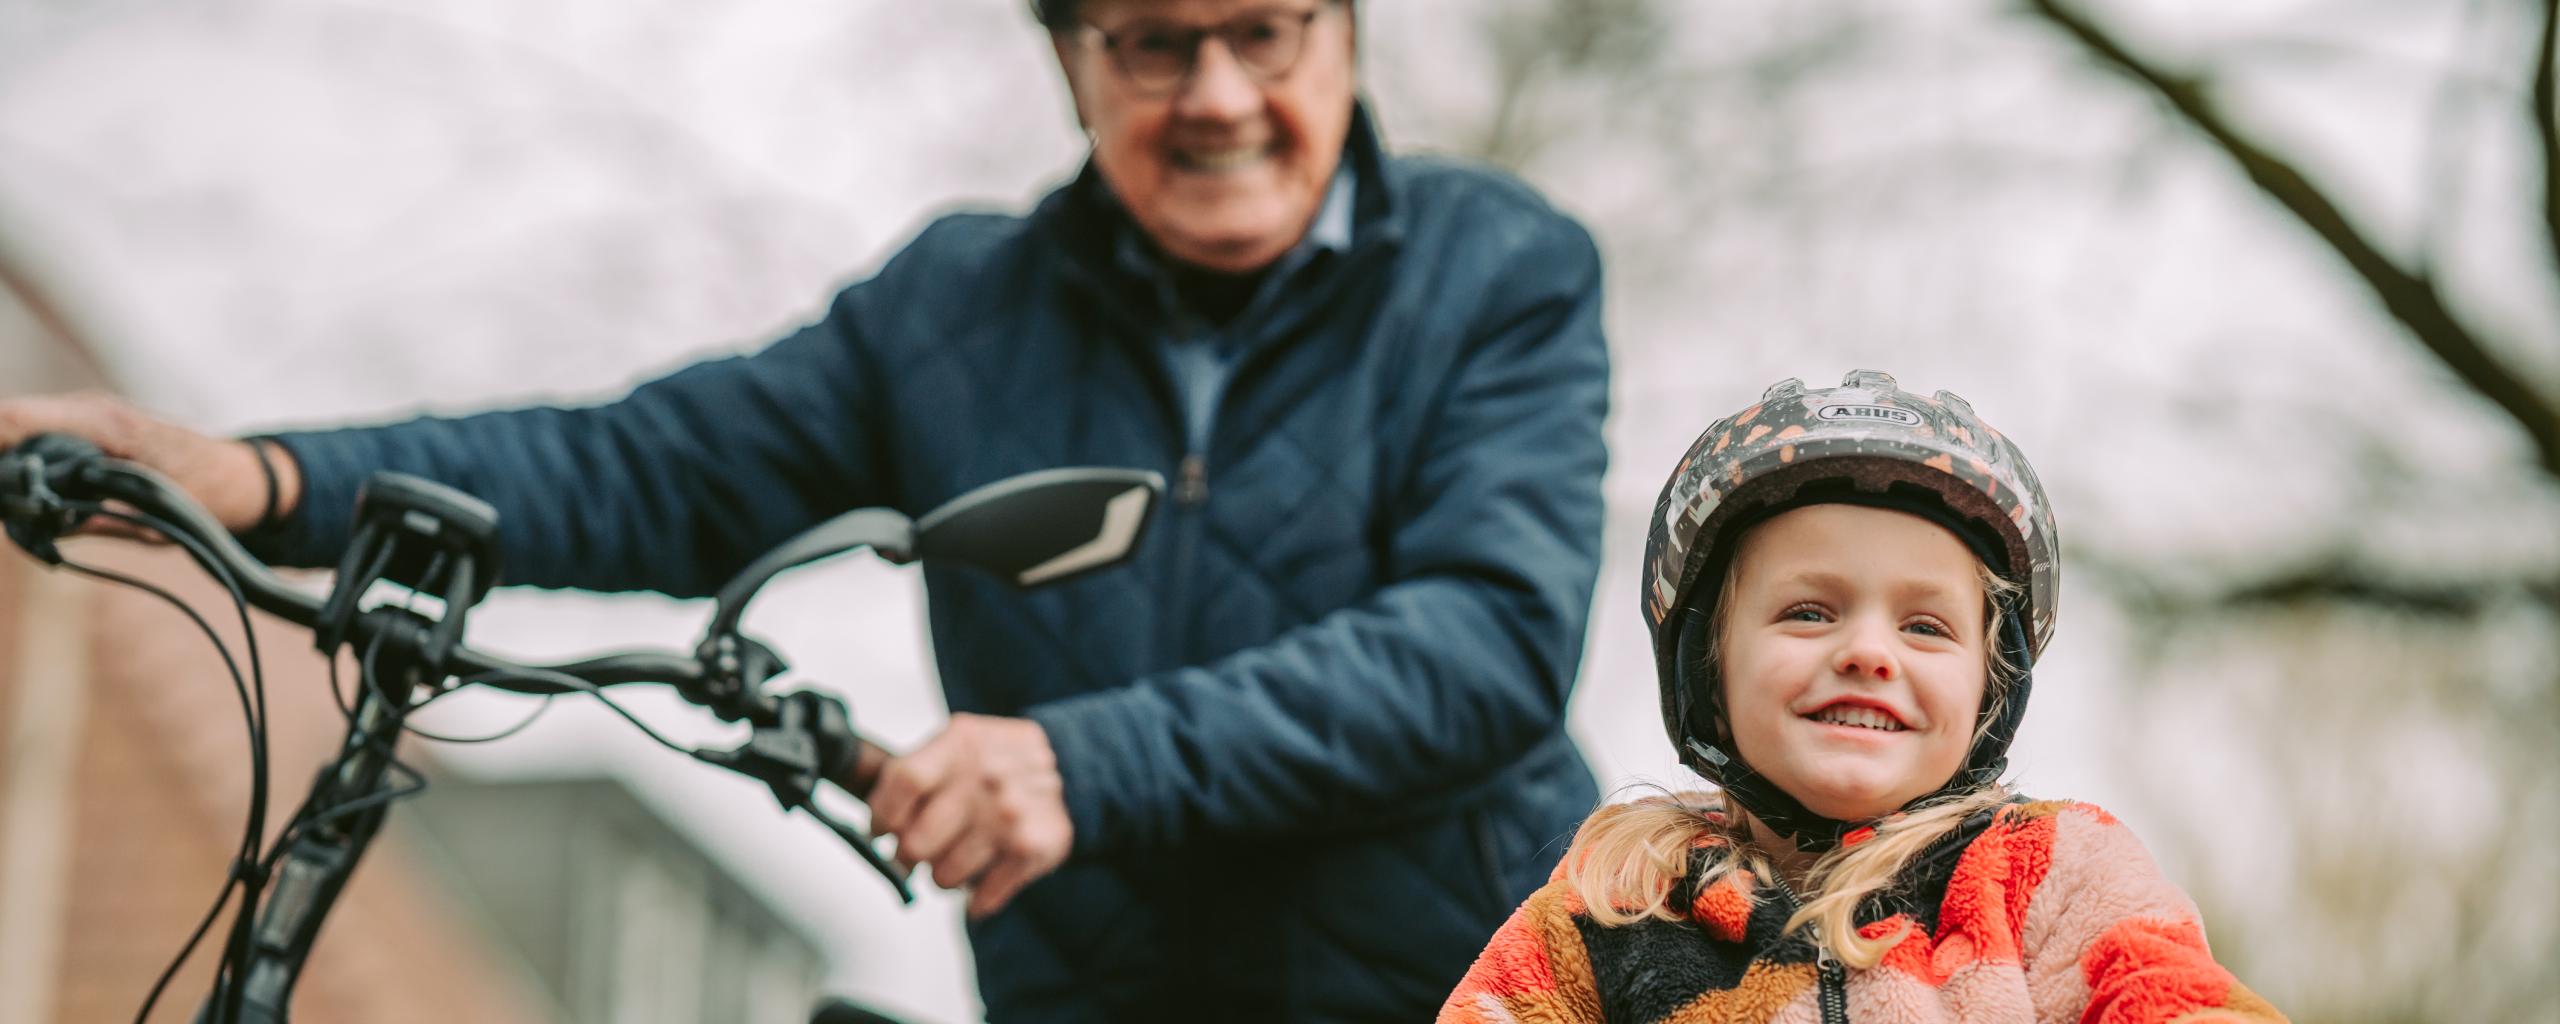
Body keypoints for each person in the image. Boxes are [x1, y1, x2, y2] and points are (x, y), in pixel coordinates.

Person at [0, 0, 1610, 1019]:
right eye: (1150, 41)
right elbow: (645, 467)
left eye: (1263, 33)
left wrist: (1082, 760)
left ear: (1344, 39)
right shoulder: (952, 313)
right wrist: (263, 482)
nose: (1215, 94)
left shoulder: (1498, 272)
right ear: (1066, 57)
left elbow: (1484, 643)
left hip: (1462, 991)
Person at [1439, 371, 2282, 1023]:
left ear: (1991, 686)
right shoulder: (1617, 906)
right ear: (1710, 666)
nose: (1870, 652)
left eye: (1925, 626)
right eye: (1809, 612)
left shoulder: (2053, 877)